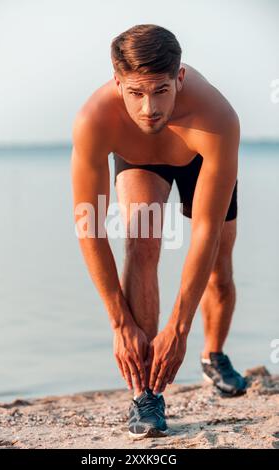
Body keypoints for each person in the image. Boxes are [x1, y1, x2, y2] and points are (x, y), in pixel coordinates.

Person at [71, 24, 247, 439]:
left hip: (200, 157)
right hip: (140, 162)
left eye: (160, 90)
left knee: (220, 267)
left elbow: (203, 230)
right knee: (142, 243)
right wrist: (119, 324)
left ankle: (213, 356)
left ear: (179, 78)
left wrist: (179, 330)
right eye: (135, 92)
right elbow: (89, 227)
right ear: (118, 83)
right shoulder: (94, 120)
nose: (148, 107)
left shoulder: (218, 118)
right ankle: (146, 394)